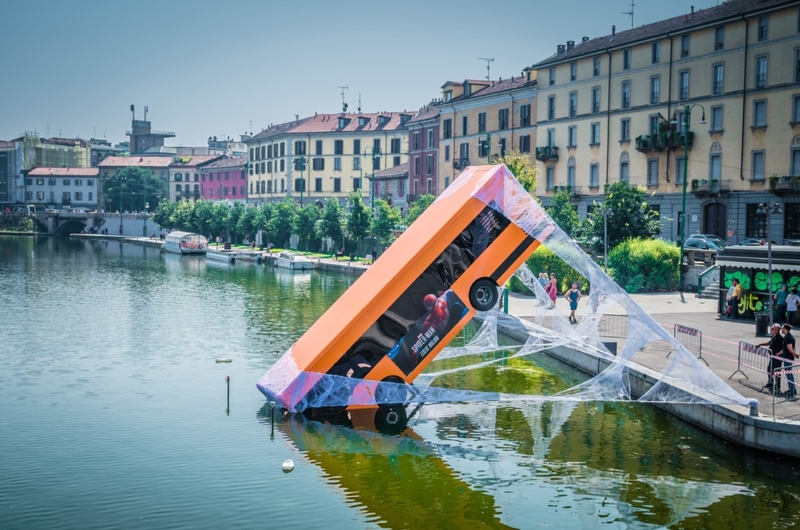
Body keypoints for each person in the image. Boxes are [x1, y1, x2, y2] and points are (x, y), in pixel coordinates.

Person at [757, 324, 784, 393]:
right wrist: (760, 344)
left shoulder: (780, 338)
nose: (771, 330)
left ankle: (778, 387)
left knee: (777, 372)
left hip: (777, 358)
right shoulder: (773, 336)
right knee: (769, 369)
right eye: (771, 328)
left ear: (777, 330)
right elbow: (769, 343)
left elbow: (784, 347)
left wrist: (780, 353)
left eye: (772, 329)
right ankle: (770, 382)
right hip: (772, 357)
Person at [780, 324, 797, 398]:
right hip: (788, 357)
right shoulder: (788, 336)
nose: (781, 329)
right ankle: (792, 389)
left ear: (785, 329)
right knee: (788, 374)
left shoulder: (788, 338)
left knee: (789, 374)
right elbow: (791, 348)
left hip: (787, 358)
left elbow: (790, 348)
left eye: (782, 328)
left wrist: (795, 354)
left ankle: (792, 390)